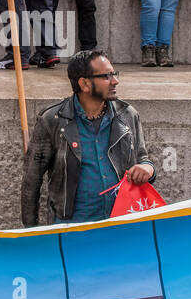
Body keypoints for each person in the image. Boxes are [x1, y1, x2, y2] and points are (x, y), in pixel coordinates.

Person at [21, 49, 155, 225]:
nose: (115, 81)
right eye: (107, 76)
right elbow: (31, 181)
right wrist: (32, 235)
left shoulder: (127, 115)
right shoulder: (53, 120)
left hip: (121, 226)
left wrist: (147, 169)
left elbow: (143, 159)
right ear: (84, 84)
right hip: (71, 230)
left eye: (114, 74)